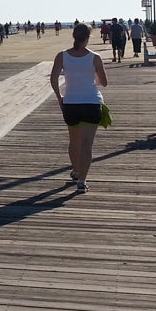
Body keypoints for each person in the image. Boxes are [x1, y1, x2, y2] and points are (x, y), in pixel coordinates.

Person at [49, 23, 108, 194]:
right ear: (87, 38)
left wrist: (59, 96)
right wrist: (93, 77)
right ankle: (82, 181)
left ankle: (75, 171)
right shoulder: (95, 57)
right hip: (91, 103)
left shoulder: (62, 56)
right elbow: (103, 82)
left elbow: (53, 79)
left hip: (71, 103)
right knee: (86, 144)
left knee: (74, 141)